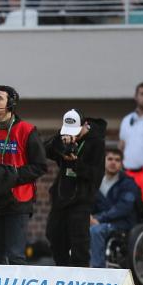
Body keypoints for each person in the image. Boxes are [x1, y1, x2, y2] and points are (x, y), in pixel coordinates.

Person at [0, 85, 47, 265]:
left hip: (18, 200)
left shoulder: (27, 131)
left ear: (11, 103)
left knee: (16, 256)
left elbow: (40, 166)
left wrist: (13, 175)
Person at [44, 109, 106, 267]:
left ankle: (80, 274)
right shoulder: (64, 136)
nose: (74, 136)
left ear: (84, 125)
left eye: (76, 132)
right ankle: (62, 269)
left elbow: (95, 175)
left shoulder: (96, 142)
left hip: (82, 198)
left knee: (79, 241)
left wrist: (75, 163)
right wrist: (60, 144)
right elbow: (45, 149)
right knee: (53, 233)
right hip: (62, 195)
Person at [91, 149, 142, 268]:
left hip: (122, 223)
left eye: (117, 160)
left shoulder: (128, 184)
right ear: (103, 161)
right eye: (109, 159)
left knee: (96, 230)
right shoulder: (96, 182)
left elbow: (123, 208)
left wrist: (99, 219)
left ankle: (98, 271)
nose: (113, 162)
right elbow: (89, 203)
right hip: (99, 221)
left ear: (121, 164)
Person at [120, 82, 143, 204]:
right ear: (136, 96)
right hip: (128, 174)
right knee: (129, 206)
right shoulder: (127, 120)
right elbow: (122, 146)